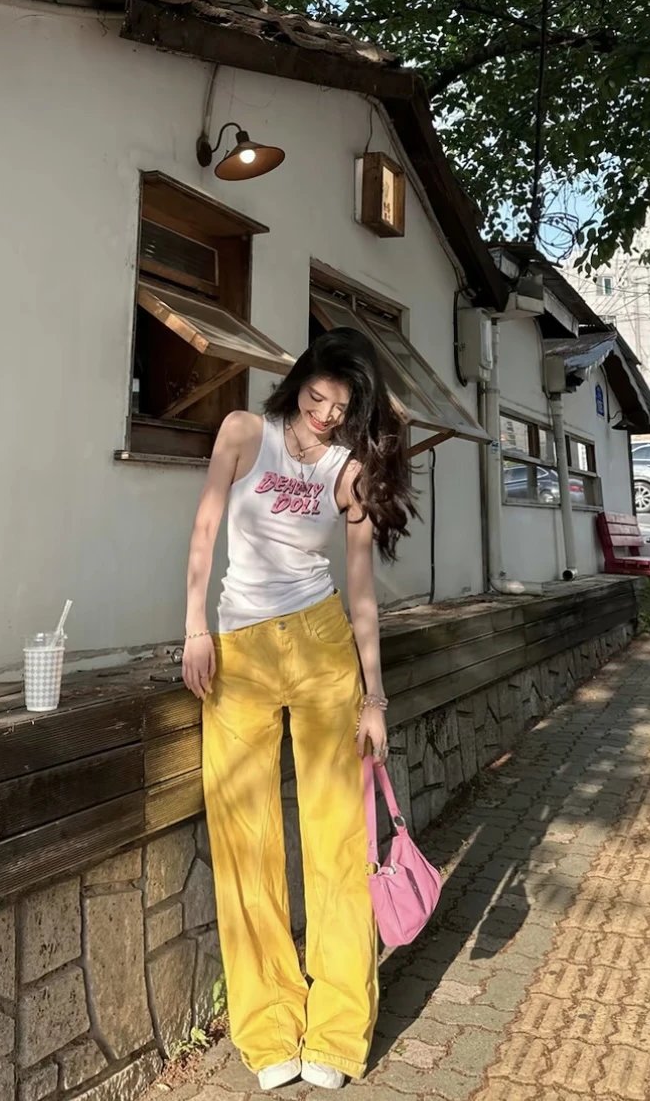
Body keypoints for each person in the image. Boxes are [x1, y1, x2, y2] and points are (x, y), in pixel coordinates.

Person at [181, 326, 417, 1091]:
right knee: (244, 835)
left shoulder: (348, 470)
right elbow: (206, 528)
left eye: (341, 408)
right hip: (241, 649)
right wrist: (194, 627)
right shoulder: (242, 432)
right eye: (317, 397)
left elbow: (361, 588)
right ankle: (267, 1025)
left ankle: (338, 1033)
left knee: (337, 836)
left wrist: (374, 696)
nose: (324, 414)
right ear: (298, 383)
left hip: (320, 647)